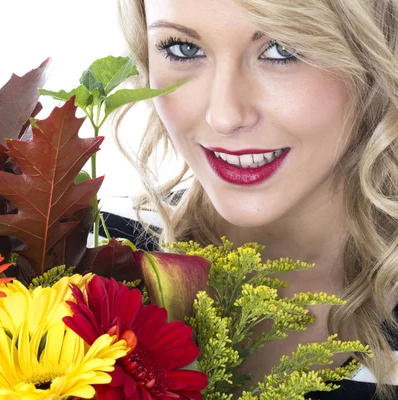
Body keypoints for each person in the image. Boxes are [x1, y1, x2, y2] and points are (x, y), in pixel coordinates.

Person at [105, 0, 398, 399]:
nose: (224, 116)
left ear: (377, 53)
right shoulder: (81, 247)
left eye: (284, 48)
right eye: (182, 48)